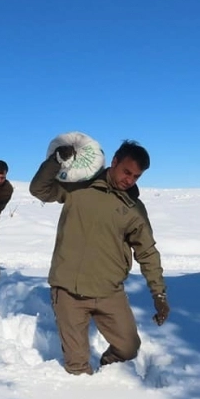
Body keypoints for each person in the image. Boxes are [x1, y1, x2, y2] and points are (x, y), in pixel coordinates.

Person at [29, 140, 170, 375]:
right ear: (114, 162)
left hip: (108, 292)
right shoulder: (78, 186)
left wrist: (159, 292)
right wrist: (56, 161)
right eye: (127, 172)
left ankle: (108, 375)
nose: (130, 180)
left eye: (136, 176)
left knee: (128, 348)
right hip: (68, 291)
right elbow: (39, 189)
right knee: (77, 367)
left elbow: (147, 252)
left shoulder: (133, 208)